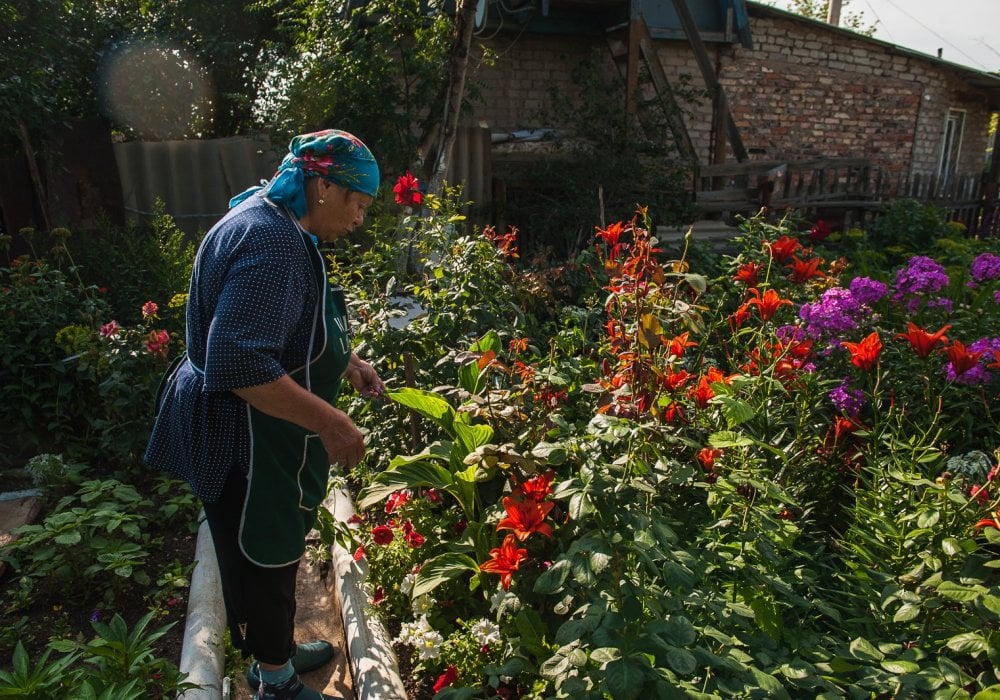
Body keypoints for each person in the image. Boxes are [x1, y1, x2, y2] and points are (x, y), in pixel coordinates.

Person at [145, 129, 386, 700]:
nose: (360, 220)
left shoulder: (270, 217)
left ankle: (273, 650)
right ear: (323, 186)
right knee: (256, 553)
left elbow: (277, 326)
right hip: (241, 434)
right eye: (358, 203)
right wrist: (332, 421)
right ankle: (274, 679)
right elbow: (241, 362)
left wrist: (342, 359)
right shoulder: (273, 245)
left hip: (250, 429)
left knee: (272, 548)